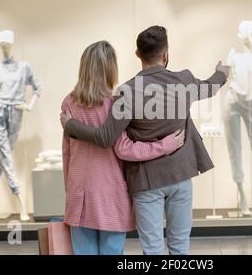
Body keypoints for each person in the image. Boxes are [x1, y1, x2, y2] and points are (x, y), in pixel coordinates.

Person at [61, 26, 229, 255]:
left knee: (153, 250)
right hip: (180, 175)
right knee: (180, 248)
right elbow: (210, 87)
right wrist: (222, 73)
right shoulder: (183, 81)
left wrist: (71, 126)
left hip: (144, 182)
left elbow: (103, 139)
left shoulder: (125, 92)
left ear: (138, 55)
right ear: (166, 54)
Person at [62, 40, 185, 255]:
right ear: (111, 68)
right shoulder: (115, 103)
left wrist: (70, 189)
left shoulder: (68, 103)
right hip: (111, 195)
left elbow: (67, 152)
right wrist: (165, 145)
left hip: (79, 195)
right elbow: (125, 149)